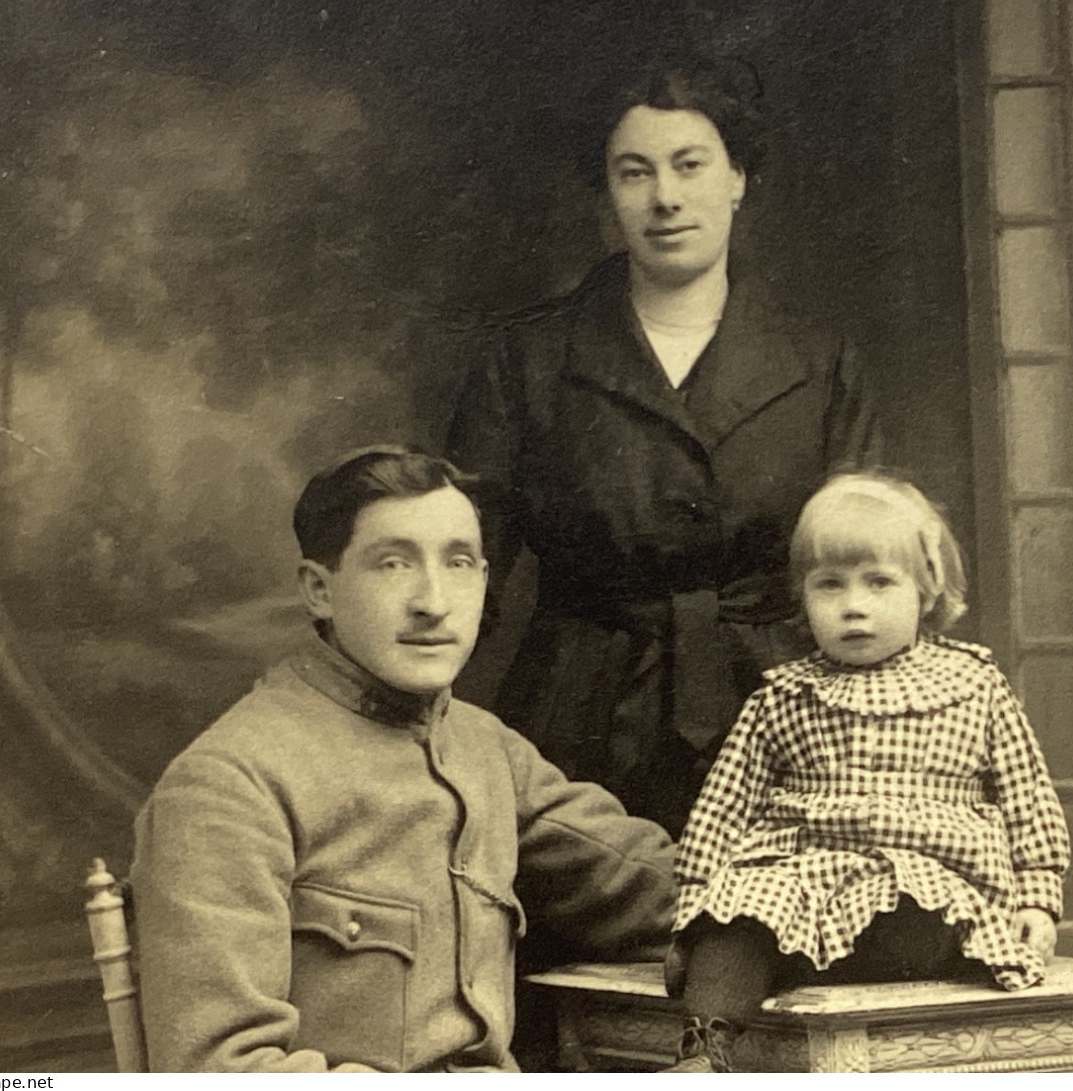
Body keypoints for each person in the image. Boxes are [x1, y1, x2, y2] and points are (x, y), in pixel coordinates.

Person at [130, 446, 676, 1072]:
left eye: (460, 562)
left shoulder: (483, 747)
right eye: (392, 563)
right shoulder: (231, 784)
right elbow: (218, 1070)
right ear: (318, 591)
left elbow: (654, 888)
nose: (434, 601)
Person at [447, 56, 885, 837]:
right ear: (609, 192)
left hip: (787, 715)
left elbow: (877, 567)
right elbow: (459, 562)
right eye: (634, 172)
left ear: (738, 176)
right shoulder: (528, 357)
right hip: (576, 719)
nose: (666, 198)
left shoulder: (821, 362)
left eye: (691, 165)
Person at [663, 472, 1071, 1072]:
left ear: (926, 591)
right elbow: (723, 813)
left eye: (880, 582)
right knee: (742, 911)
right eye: (830, 585)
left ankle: (803, 960)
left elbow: (1028, 799)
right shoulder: (783, 697)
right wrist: (697, 910)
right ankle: (707, 1048)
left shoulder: (973, 685)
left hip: (927, 891)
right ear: (802, 596)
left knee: (912, 908)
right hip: (803, 884)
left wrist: (1038, 900)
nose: (854, 606)